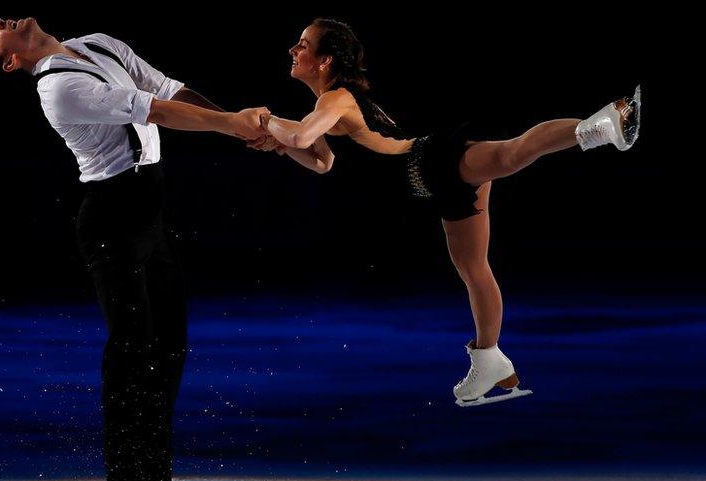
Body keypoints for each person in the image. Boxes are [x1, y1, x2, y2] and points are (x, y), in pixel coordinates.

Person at [0, 16, 268, 481]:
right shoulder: (58, 89)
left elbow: (169, 88)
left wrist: (242, 126)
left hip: (150, 210)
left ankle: (156, 480)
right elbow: (156, 112)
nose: (0, 23)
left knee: (169, 347)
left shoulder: (98, 43)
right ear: (13, 61)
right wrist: (239, 126)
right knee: (131, 352)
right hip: (110, 218)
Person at [250, 18, 640, 407]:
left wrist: (269, 123)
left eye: (302, 44)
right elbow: (321, 160)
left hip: (430, 164)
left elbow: (301, 134)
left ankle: (601, 125)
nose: (293, 50)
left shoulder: (335, 99)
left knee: (510, 153)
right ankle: (490, 359)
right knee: (473, 267)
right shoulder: (333, 101)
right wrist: (281, 143)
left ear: (324, 60)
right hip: (431, 184)